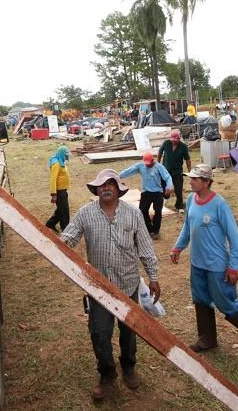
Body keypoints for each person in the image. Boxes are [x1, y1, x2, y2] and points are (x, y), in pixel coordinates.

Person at [60, 169, 160, 401]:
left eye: (111, 184)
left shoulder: (133, 214)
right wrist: (55, 244)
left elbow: (145, 248)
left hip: (128, 284)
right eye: (102, 185)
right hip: (99, 288)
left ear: (118, 189)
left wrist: (153, 277)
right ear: (96, 189)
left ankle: (129, 366)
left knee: (129, 331)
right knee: (99, 333)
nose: (106, 188)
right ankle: (107, 373)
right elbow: (68, 239)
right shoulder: (85, 213)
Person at [170, 164, 238, 355]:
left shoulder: (219, 204)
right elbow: (187, 227)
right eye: (190, 178)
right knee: (201, 300)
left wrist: (233, 266)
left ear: (206, 182)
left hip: (216, 265)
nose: (190, 182)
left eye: (194, 179)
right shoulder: (191, 199)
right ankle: (207, 339)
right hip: (197, 263)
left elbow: (234, 237)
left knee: (225, 302)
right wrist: (178, 247)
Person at [119, 153, 173, 238]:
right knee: (142, 211)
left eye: (149, 163)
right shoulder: (140, 166)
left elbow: (168, 177)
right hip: (146, 192)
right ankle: (149, 229)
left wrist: (168, 187)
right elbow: (129, 171)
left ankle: (156, 231)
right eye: (146, 164)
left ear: (153, 160)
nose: (147, 165)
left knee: (158, 211)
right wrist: (118, 176)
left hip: (158, 192)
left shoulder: (159, 167)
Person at [157, 130, 192, 213]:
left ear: (179, 139)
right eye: (172, 140)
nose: (173, 141)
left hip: (177, 171)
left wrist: (190, 171)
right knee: (163, 186)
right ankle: (164, 200)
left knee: (178, 189)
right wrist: (157, 165)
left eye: (175, 140)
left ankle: (179, 206)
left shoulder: (183, 147)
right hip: (165, 170)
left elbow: (187, 160)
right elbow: (159, 153)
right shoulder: (166, 143)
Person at [45, 145, 71, 232]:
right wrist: (54, 194)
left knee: (61, 209)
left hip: (63, 190)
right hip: (59, 191)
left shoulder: (61, 161)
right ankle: (66, 230)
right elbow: (53, 179)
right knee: (64, 211)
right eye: (65, 154)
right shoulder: (56, 163)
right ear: (61, 154)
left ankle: (50, 223)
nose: (67, 156)